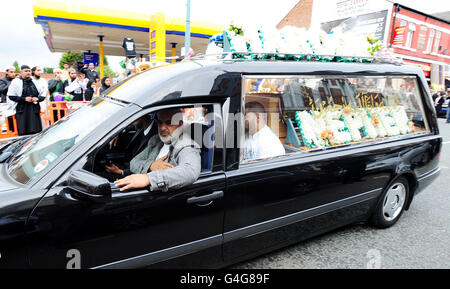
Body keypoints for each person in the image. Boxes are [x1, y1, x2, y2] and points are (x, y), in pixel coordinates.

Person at [114, 108, 201, 192]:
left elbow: (190, 171)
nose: (162, 128)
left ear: (180, 124)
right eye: (160, 122)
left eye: (169, 123)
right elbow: (134, 162)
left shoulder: (186, 145)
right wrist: (151, 166)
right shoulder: (155, 140)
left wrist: (148, 179)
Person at [7, 65, 45, 136]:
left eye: (29, 71)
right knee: (23, 132)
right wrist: (24, 99)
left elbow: (43, 94)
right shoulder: (16, 82)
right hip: (22, 111)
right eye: (26, 71)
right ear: (21, 72)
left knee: (36, 132)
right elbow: (11, 96)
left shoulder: (35, 82)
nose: (28, 72)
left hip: (34, 111)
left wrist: (37, 99)